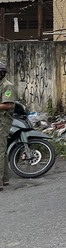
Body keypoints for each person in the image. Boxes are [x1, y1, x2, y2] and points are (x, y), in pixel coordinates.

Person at [0, 61, 14, 190]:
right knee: (2, 151)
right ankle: (4, 179)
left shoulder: (7, 86)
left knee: (0, 150)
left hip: (3, 121)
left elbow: (8, 104)